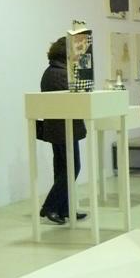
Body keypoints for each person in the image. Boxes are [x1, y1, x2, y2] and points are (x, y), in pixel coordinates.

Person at [38, 37, 88, 224]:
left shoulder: (52, 71)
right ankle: (50, 207)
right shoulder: (60, 74)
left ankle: (63, 208)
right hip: (63, 128)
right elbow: (75, 99)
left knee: (62, 169)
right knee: (71, 168)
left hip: (60, 128)